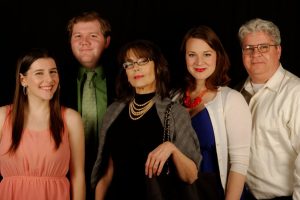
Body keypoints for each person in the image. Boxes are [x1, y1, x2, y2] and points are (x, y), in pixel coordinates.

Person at [91, 39, 201, 200]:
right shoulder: (113, 111)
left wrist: (172, 148)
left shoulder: (175, 112)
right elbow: (107, 172)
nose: (135, 68)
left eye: (142, 61)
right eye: (129, 64)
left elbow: (191, 176)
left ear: (157, 67)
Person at [171, 25, 252, 200]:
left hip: (217, 192)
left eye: (207, 54)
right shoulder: (174, 97)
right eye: (192, 55)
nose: (199, 62)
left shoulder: (231, 100)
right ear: (184, 57)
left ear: (218, 56)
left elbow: (239, 164)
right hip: (181, 192)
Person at [0, 48, 85, 199]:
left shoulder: (71, 119)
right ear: (23, 80)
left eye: (53, 72)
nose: (49, 79)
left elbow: (78, 176)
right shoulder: (2, 117)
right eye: (39, 73)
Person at [236, 18, 300, 200]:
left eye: (263, 47)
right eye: (248, 48)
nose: (255, 54)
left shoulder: (296, 93)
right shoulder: (236, 93)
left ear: (278, 50)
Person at [62, 10, 116, 199]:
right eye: (78, 36)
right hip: (66, 179)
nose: (84, 42)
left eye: (93, 36)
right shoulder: (53, 81)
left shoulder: (125, 80)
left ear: (106, 41)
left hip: (116, 178)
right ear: (70, 42)